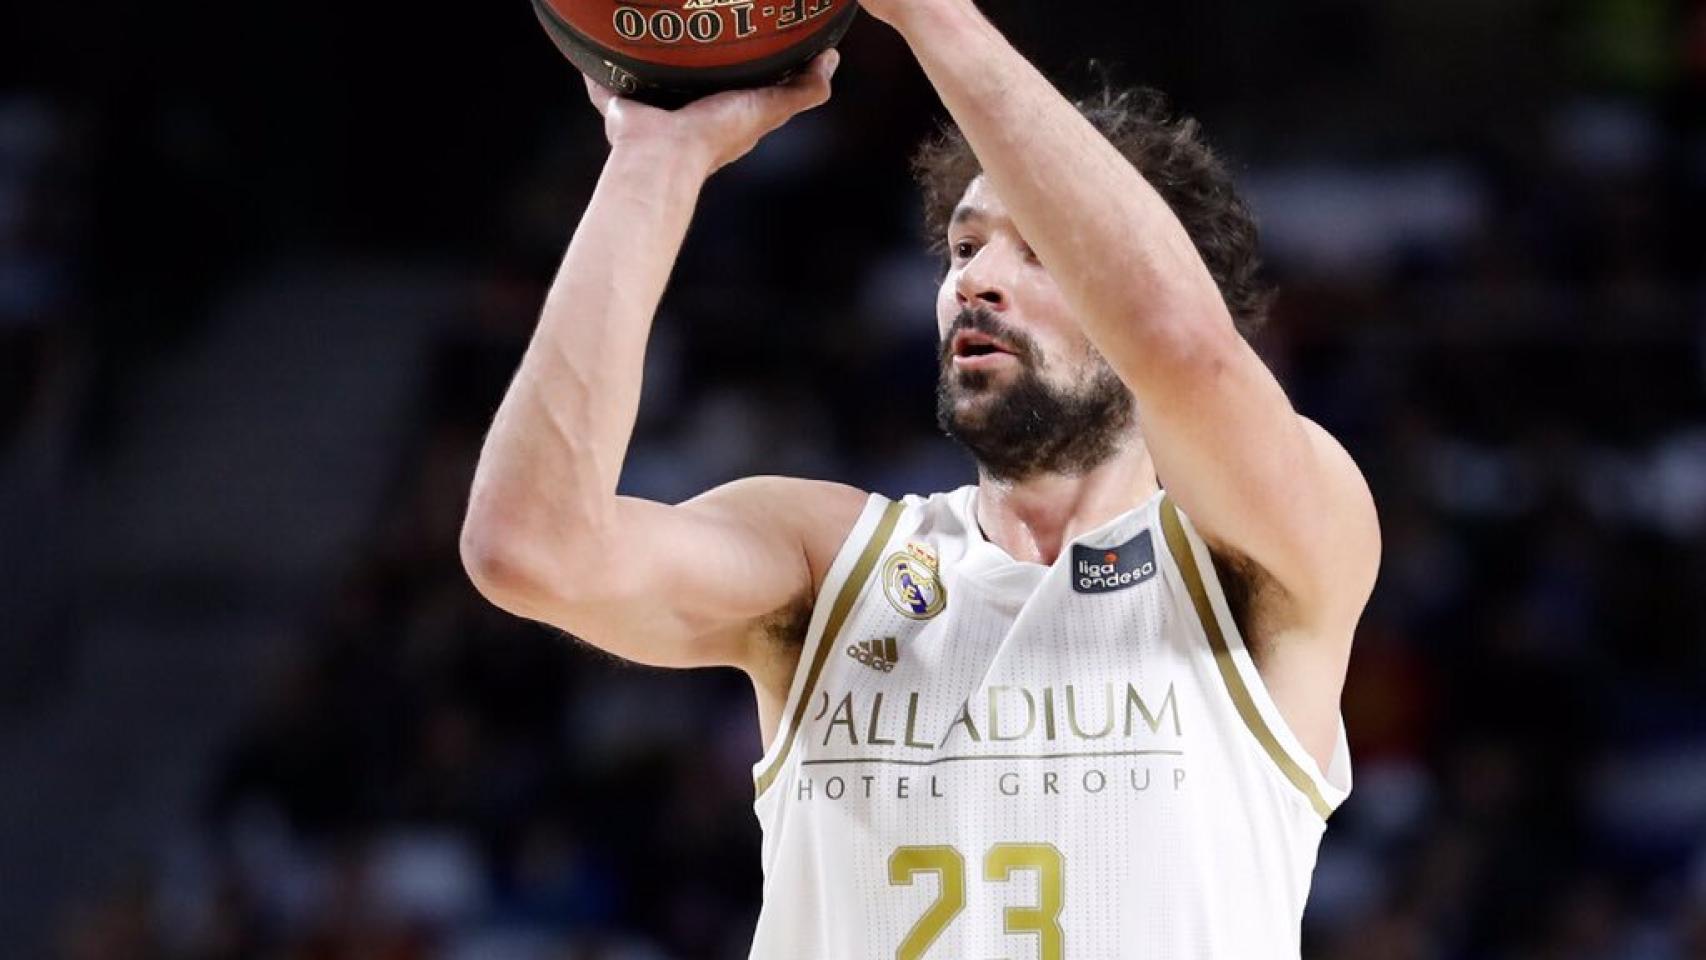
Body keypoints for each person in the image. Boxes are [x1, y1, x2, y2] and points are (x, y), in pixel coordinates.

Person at [460, 0, 1381, 956]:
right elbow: (531, 547)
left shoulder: (1268, 554)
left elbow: (1181, 347)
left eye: (1043, 250)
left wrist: (932, 14)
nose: (978, 280)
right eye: (966, 246)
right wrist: (652, 161)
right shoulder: (827, 562)